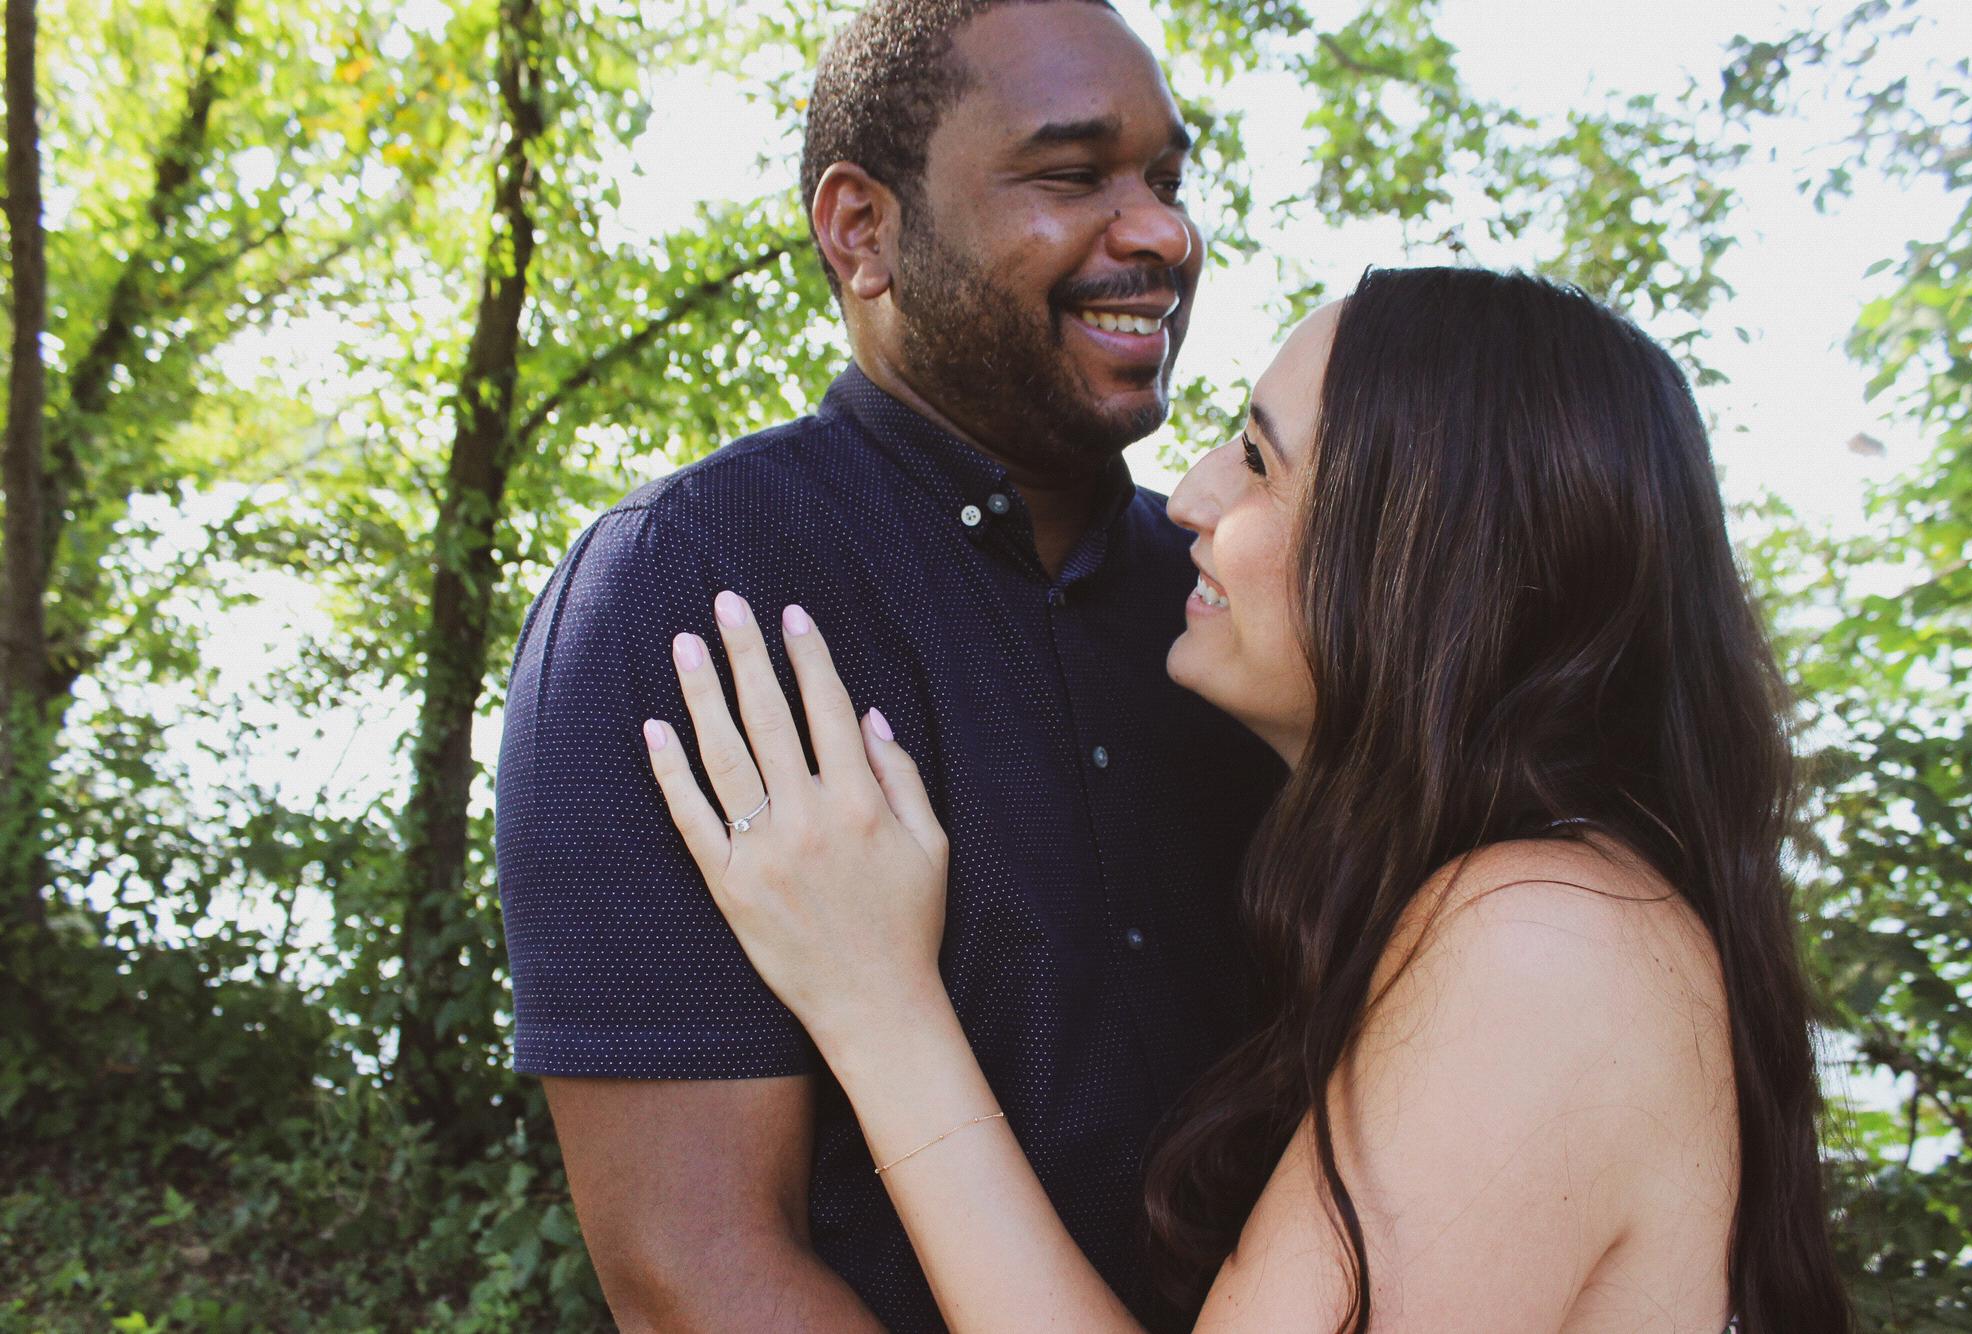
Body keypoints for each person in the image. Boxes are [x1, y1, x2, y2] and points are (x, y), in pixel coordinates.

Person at [640, 267, 1855, 1332]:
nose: (1187, 495)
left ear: (1430, 565)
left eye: (1261, 462)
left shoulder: (1545, 939)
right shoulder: (1543, 910)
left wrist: (878, 1005)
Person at [493, 1, 1282, 1328]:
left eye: (1166, 179)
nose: (1160, 233)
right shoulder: (682, 592)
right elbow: (695, 1269)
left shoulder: (1245, 620)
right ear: (861, 228)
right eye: (1072, 175)